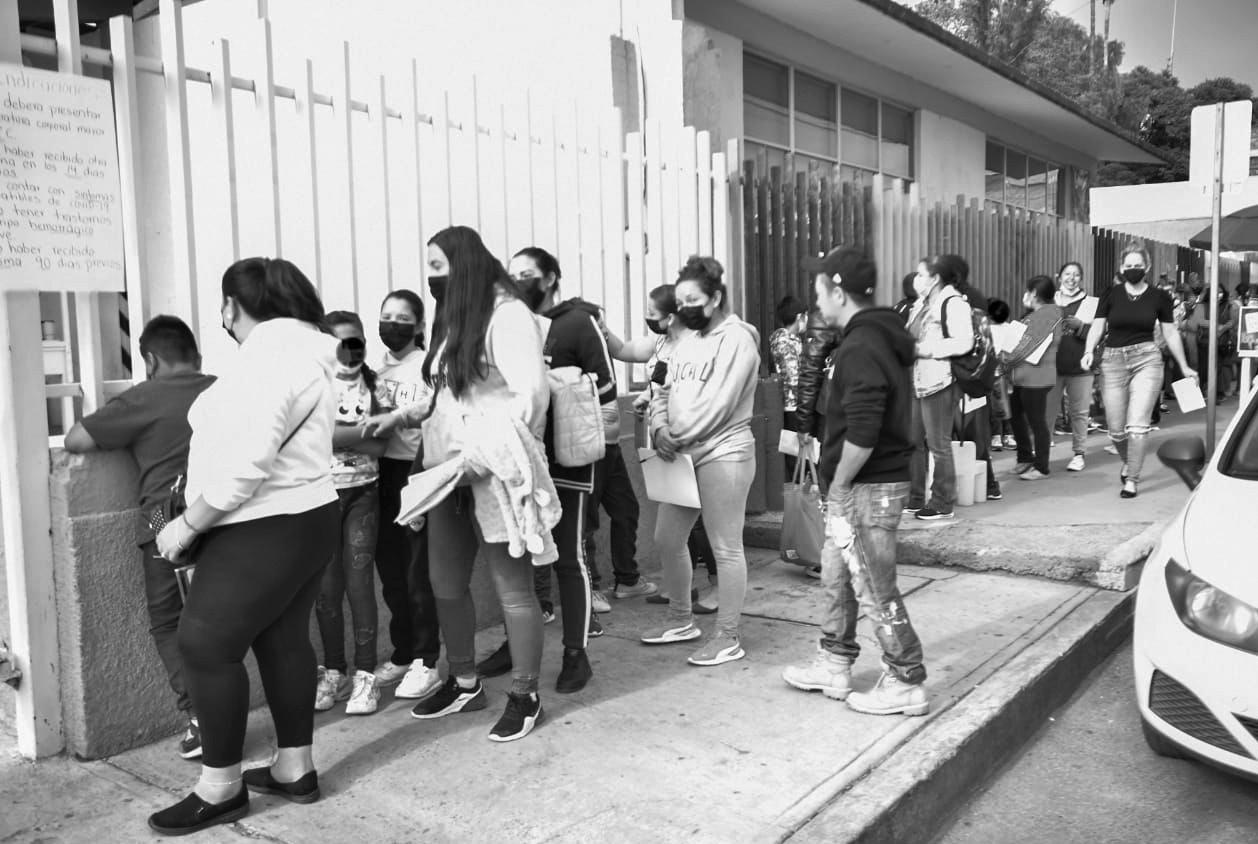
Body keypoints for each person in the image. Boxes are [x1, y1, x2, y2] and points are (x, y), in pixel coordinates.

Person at [146, 258, 339, 835]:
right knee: (282, 639)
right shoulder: (307, 353)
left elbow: (244, 466)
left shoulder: (268, 359)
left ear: (233, 305)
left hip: (261, 523)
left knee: (204, 645)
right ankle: (293, 767)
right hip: (308, 514)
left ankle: (221, 788)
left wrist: (186, 526)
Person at [408, 225, 551, 741]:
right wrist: (413, 433)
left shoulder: (508, 316)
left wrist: (483, 456)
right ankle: (465, 682)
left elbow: (530, 397)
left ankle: (525, 694)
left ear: (464, 265)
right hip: (447, 476)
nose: (430, 277)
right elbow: (447, 399)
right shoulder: (455, 319)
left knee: (513, 590)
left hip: (495, 474)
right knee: (445, 584)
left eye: (437, 267)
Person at [781, 246, 928, 716]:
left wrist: (840, 485)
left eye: (819, 290)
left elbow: (864, 432)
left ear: (838, 292)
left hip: (868, 487)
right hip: (861, 486)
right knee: (837, 576)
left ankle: (906, 679)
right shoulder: (868, 338)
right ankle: (834, 661)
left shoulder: (863, 345)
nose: (815, 300)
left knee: (873, 587)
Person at [64, 316, 216, 760]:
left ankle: (202, 716)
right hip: (224, 518)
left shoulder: (143, 398)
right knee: (218, 619)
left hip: (164, 524)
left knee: (168, 621)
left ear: (149, 359)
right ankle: (223, 707)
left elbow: (76, 439)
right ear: (196, 356)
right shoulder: (220, 389)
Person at [474, 245, 617, 694]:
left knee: (570, 558)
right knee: (517, 560)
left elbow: (607, 388)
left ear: (551, 277)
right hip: (520, 460)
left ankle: (576, 653)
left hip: (567, 458)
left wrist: (553, 382)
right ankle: (516, 645)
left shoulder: (576, 322)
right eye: (512, 274)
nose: (518, 281)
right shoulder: (505, 324)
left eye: (527, 274)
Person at [640, 256, 760, 666]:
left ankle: (727, 636)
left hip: (724, 452)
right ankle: (680, 620)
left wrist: (677, 436)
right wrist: (659, 427)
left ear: (716, 298)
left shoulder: (738, 340)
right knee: (667, 538)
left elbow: (720, 403)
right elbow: (660, 388)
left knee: (726, 547)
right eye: (680, 302)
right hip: (679, 452)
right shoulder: (685, 340)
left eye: (693, 300)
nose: (684, 308)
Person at [604, 285, 718, 612]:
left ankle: (718, 587)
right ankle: (680, 586)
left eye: (652, 314)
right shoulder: (661, 342)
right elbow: (624, 350)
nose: (648, 319)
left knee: (701, 520)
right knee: (676, 525)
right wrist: (601, 328)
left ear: (671, 316)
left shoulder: (696, 346)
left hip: (690, 442)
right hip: (664, 442)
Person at [360, 291, 444, 704]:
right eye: (386, 316)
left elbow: (436, 419)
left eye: (402, 317)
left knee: (416, 572)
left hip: (417, 472)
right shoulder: (375, 373)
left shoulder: (428, 368)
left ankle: (427, 660)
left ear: (420, 326)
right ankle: (403, 651)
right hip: (381, 476)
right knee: (391, 570)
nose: (392, 324)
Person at [313, 311, 388, 716]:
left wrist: (337, 435)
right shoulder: (312, 385)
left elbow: (380, 445)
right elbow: (313, 437)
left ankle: (365, 675)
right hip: (321, 495)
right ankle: (334, 671)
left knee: (359, 584)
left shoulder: (374, 386)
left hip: (363, 494)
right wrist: (359, 434)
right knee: (326, 590)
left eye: (355, 341)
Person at [1081, 245, 1196, 499]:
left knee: (1137, 426)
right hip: (1112, 361)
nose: (1133, 269)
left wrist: (1184, 365)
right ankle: (1129, 461)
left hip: (1147, 359)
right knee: (1116, 430)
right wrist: (1088, 350)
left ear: (1147, 267)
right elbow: (1098, 326)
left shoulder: (1159, 297)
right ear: (1122, 268)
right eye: (1129, 266)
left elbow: (1170, 332)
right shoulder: (1111, 294)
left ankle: (1132, 479)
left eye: (1138, 265)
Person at [905, 255, 974, 521]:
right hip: (917, 379)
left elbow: (964, 342)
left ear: (935, 279)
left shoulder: (953, 303)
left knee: (938, 443)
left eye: (921, 275)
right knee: (913, 440)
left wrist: (924, 349)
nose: (917, 279)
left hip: (940, 381)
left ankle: (942, 502)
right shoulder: (922, 303)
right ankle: (914, 497)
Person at [1003, 276, 1063, 481]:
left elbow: (1027, 344)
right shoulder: (1034, 314)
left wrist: (1005, 361)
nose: (1025, 295)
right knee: (1016, 416)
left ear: (1035, 293)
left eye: (1028, 291)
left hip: (1037, 378)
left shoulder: (1048, 314)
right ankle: (1025, 458)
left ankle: (1041, 466)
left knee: (1037, 422)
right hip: (1022, 376)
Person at [1052, 262, 1095, 472]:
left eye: (1076, 274)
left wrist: (1081, 327)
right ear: (1059, 277)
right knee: (1046, 412)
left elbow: (1100, 334)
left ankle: (1079, 454)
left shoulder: (1091, 303)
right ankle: (1040, 454)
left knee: (1079, 413)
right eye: (1067, 274)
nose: (1071, 278)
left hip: (1080, 367)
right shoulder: (1050, 300)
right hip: (1050, 367)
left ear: (1081, 278)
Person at [769, 295, 808, 476]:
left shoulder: (793, 340)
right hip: (792, 404)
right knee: (795, 453)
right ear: (799, 317)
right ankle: (798, 486)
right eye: (805, 316)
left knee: (801, 453)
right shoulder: (783, 341)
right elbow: (793, 377)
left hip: (795, 403)